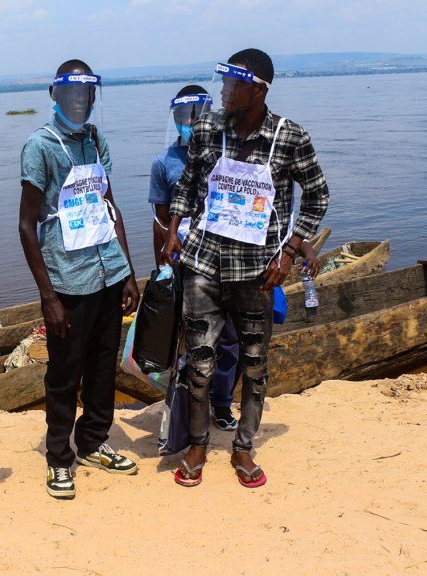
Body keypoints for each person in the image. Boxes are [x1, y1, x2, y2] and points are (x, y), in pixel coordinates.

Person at [162, 49, 330, 489]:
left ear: (257, 90)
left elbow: (317, 196)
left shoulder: (289, 138)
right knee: (199, 364)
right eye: (224, 85)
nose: (223, 93)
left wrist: (291, 251)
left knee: (254, 365)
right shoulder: (206, 129)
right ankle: (197, 444)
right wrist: (174, 226)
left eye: (231, 86)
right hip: (203, 263)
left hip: (258, 272)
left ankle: (242, 447)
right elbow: (189, 180)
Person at [19, 59, 141, 499]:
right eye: (69, 94)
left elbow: (110, 208)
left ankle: (93, 441)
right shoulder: (41, 146)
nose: (78, 102)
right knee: (64, 374)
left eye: (85, 95)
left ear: (92, 98)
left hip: (107, 273)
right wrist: (48, 296)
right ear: (55, 96)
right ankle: (58, 457)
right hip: (68, 282)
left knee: (103, 365)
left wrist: (127, 272)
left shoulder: (95, 141)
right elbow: (26, 225)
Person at [149, 84, 241, 431]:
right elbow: (160, 221)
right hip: (185, 264)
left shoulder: (226, 152)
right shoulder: (164, 162)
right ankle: (186, 408)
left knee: (229, 338)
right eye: (182, 117)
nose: (189, 122)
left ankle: (221, 403)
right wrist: (162, 268)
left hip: (224, 259)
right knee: (188, 340)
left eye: (195, 115)